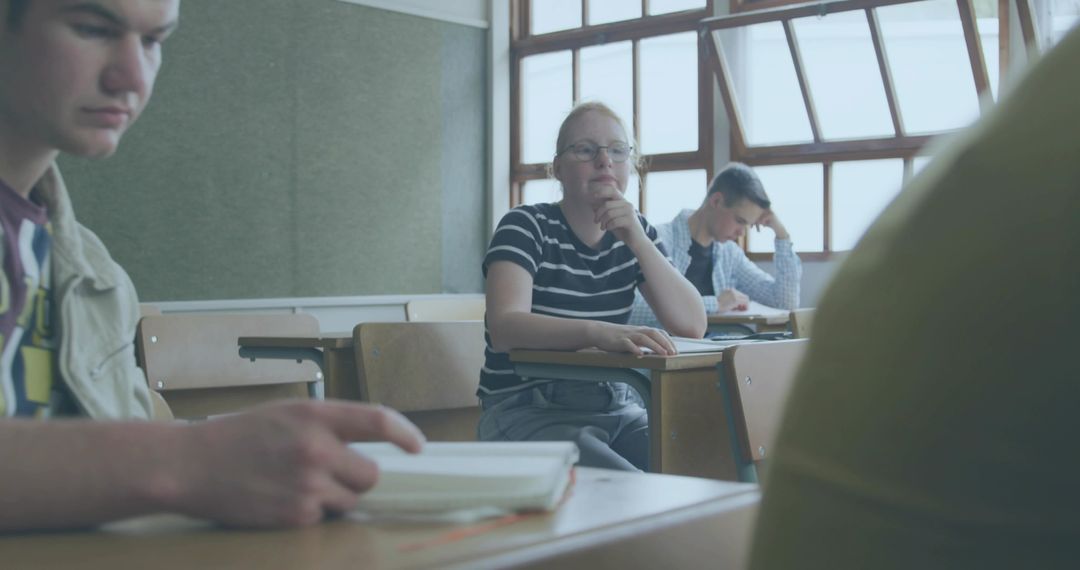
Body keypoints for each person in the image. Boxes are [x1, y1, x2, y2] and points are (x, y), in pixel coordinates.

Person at [0, 0, 423, 532]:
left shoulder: (96, 275)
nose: (132, 76)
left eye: (153, 42)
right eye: (91, 28)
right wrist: (185, 458)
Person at [747, 27, 1080, 570]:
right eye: (742, 221)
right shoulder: (668, 244)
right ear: (718, 205)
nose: (746, 230)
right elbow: (686, 316)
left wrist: (781, 234)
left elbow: (784, 296)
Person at [477, 101, 706, 472]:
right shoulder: (526, 225)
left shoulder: (637, 234)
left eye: (617, 150)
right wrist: (600, 333)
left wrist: (638, 240)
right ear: (558, 169)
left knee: (700, 471)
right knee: (637, 492)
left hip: (617, 405)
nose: (605, 161)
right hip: (528, 408)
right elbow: (505, 327)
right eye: (585, 149)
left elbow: (692, 325)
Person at [628, 163, 801, 329]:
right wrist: (714, 303)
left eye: (748, 225)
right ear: (717, 201)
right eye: (740, 221)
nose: (742, 233)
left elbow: (784, 302)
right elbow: (631, 308)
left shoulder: (730, 254)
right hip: (668, 354)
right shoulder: (658, 240)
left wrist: (782, 236)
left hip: (720, 355)